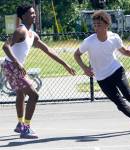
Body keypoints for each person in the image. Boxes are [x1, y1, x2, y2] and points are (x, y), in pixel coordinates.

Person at [2, 3, 75, 139]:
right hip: (12, 65)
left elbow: (48, 50)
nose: (34, 15)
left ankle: (20, 124)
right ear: (23, 16)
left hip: (11, 65)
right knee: (34, 95)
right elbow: (5, 46)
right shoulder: (21, 31)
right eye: (31, 13)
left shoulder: (33, 35)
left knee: (21, 93)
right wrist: (17, 62)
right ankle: (26, 128)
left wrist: (65, 64)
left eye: (34, 13)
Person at [74, 10, 130, 132]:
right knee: (120, 104)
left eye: (99, 25)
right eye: (95, 25)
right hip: (101, 77)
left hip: (116, 70)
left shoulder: (114, 38)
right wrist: (85, 68)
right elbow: (76, 54)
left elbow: (124, 51)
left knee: (129, 96)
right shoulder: (89, 41)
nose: (96, 27)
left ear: (106, 25)